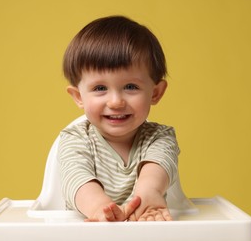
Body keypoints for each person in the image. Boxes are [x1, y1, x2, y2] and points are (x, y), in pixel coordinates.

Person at [58, 15, 180, 222]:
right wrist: (100, 209)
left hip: (144, 225)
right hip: (88, 232)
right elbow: (76, 179)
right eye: (100, 88)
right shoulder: (75, 139)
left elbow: (157, 167)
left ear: (155, 93)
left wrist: (148, 195)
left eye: (131, 87)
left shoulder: (160, 137)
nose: (115, 102)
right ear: (79, 97)